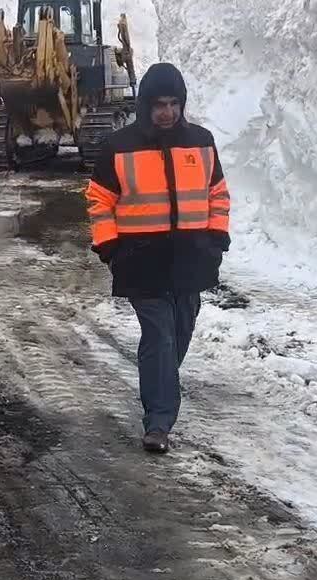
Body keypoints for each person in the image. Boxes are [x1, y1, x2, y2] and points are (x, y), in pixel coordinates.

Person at [84, 63, 231, 454]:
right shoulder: (119, 147)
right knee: (160, 336)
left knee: (180, 331)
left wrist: (216, 236)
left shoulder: (201, 142)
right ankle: (159, 422)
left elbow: (217, 193)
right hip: (141, 260)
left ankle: (159, 385)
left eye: (174, 104)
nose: (167, 112)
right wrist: (110, 245)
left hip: (191, 258)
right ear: (145, 105)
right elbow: (100, 201)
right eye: (159, 104)